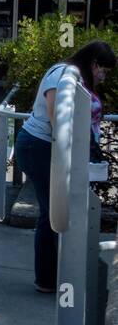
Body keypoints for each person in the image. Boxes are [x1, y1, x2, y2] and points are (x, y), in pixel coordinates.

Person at [15, 41, 116, 293]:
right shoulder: (63, 74)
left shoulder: (77, 80)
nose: (103, 77)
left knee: (53, 211)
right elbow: (56, 115)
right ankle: (51, 278)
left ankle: (52, 277)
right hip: (39, 146)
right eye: (103, 70)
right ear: (93, 63)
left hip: (49, 147)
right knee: (54, 211)